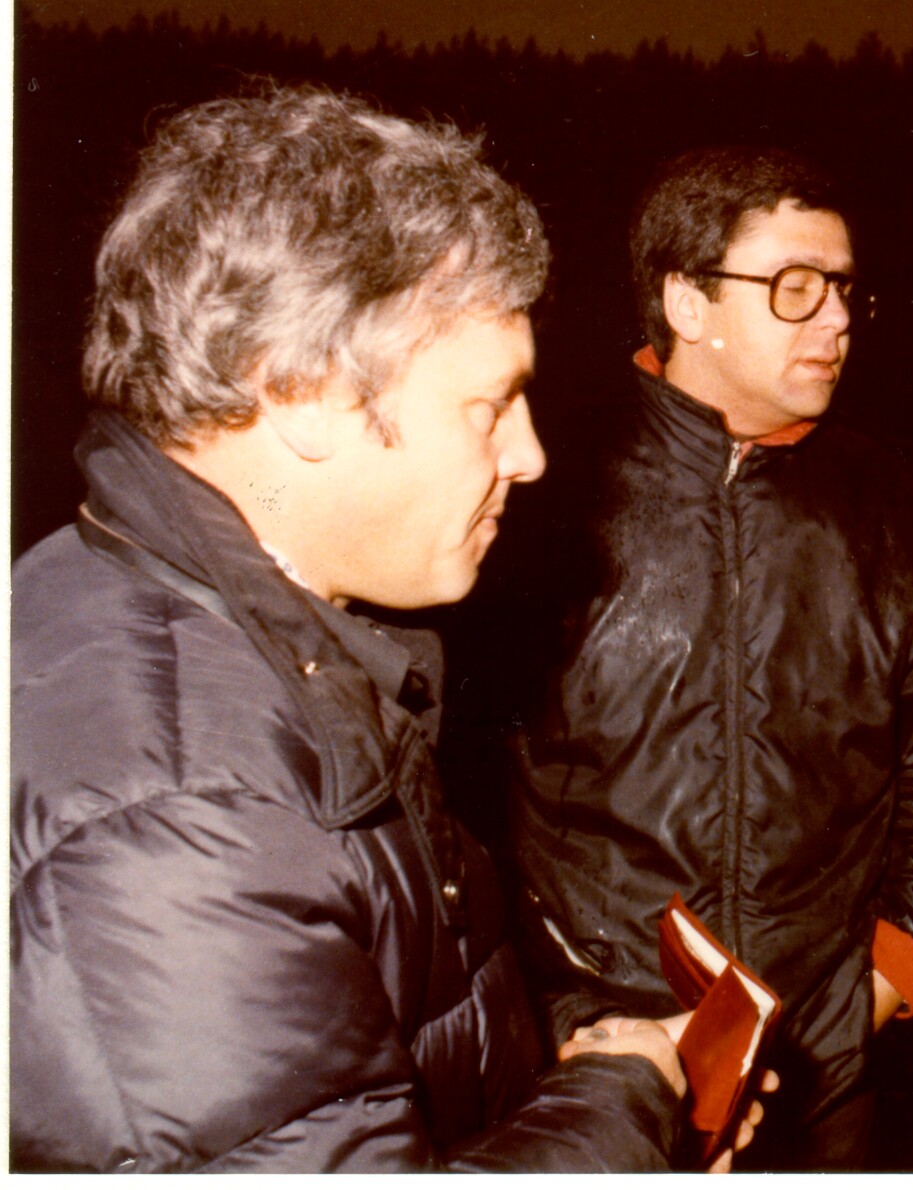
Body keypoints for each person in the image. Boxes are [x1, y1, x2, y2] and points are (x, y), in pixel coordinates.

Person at [10, 85, 692, 1172]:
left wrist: (571, 1083)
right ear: (304, 393)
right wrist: (628, 1112)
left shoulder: (248, 636)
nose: (529, 456)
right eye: (489, 403)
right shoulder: (177, 820)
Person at [507, 145, 913, 1169]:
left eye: (842, 288)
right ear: (686, 301)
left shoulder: (898, 511)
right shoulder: (543, 487)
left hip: (815, 1055)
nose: (834, 319)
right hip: (587, 1048)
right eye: (793, 287)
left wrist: (888, 974)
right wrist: (540, 1002)